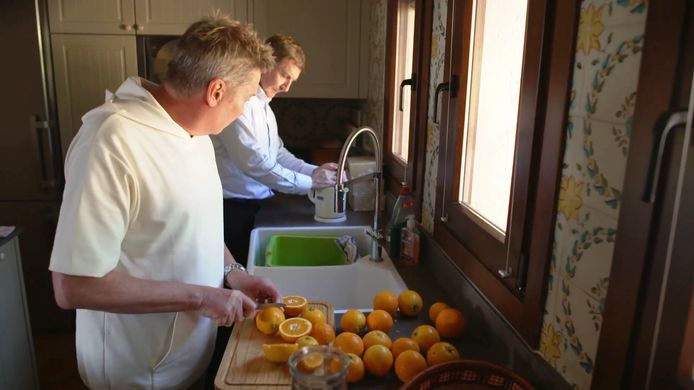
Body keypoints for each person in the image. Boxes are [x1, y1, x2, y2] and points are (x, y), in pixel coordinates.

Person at [49, 16, 281, 389]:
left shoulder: (197, 134)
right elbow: (75, 285)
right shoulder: (111, 140)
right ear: (216, 92)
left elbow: (196, 225)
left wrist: (235, 273)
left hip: (189, 356)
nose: (243, 110)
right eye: (245, 98)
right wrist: (201, 297)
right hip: (136, 370)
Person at [211, 34, 339, 265]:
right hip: (234, 211)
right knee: (237, 282)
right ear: (266, 63)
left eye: (293, 80)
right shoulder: (239, 105)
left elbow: (277, 154)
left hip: (258, 206)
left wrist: (315, 171)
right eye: (284, 75)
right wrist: (312, 183)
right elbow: (256, 163)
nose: (287, 87)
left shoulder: (264, 109)